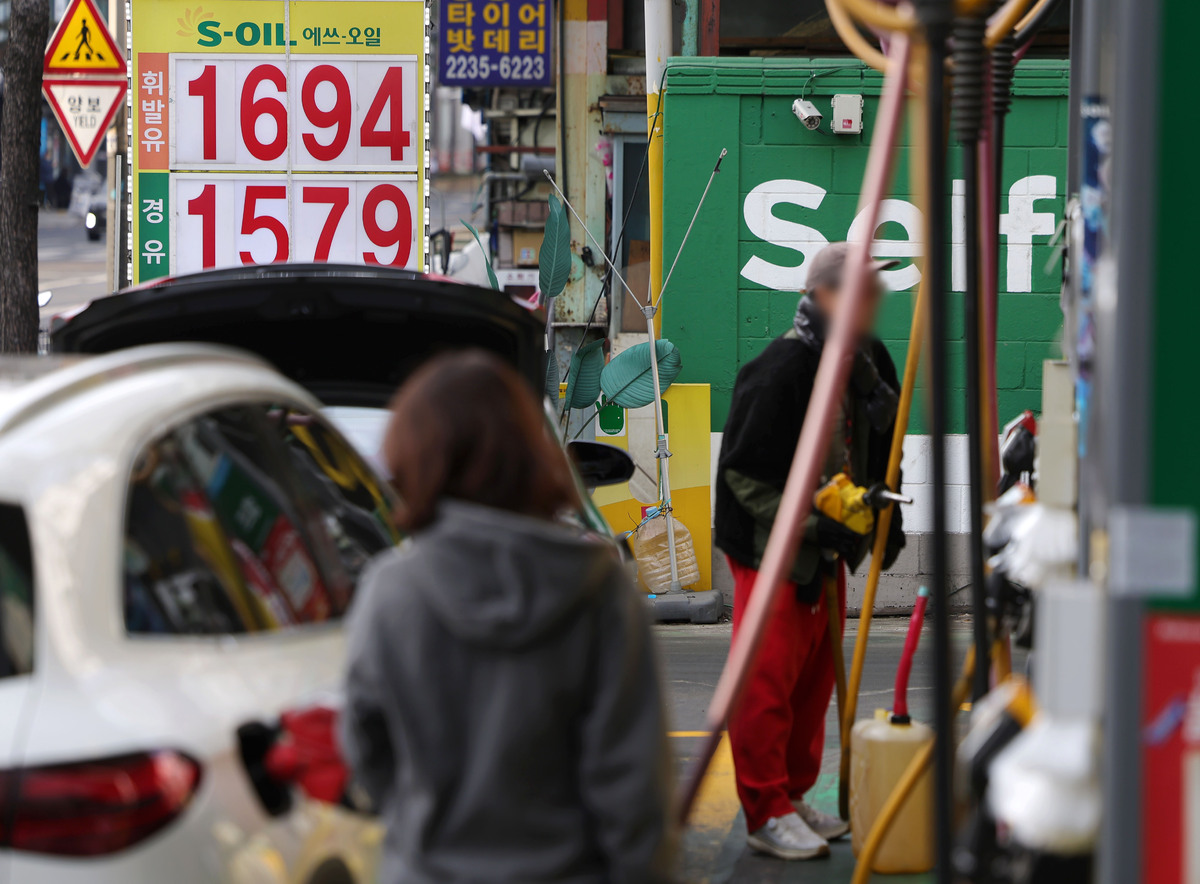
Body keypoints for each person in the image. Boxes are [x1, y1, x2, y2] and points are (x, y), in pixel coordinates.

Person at [341, 349, 675, 884]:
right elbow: (632, 783)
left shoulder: (391, 590)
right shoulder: (597, 589)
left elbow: (366, 749)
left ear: (414, 457)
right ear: (531, 451)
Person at [714, 242, 906, 860]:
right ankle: (764, 809)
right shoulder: (781, 370)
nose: (873, 303)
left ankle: (793, 795)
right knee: (766, 682)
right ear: (823, 295)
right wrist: (807, 526)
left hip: (831, 541)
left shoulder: (869, 360)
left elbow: (884, 445)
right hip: (772, 547)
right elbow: (744, 475)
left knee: (813, 683)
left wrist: (884, 521)